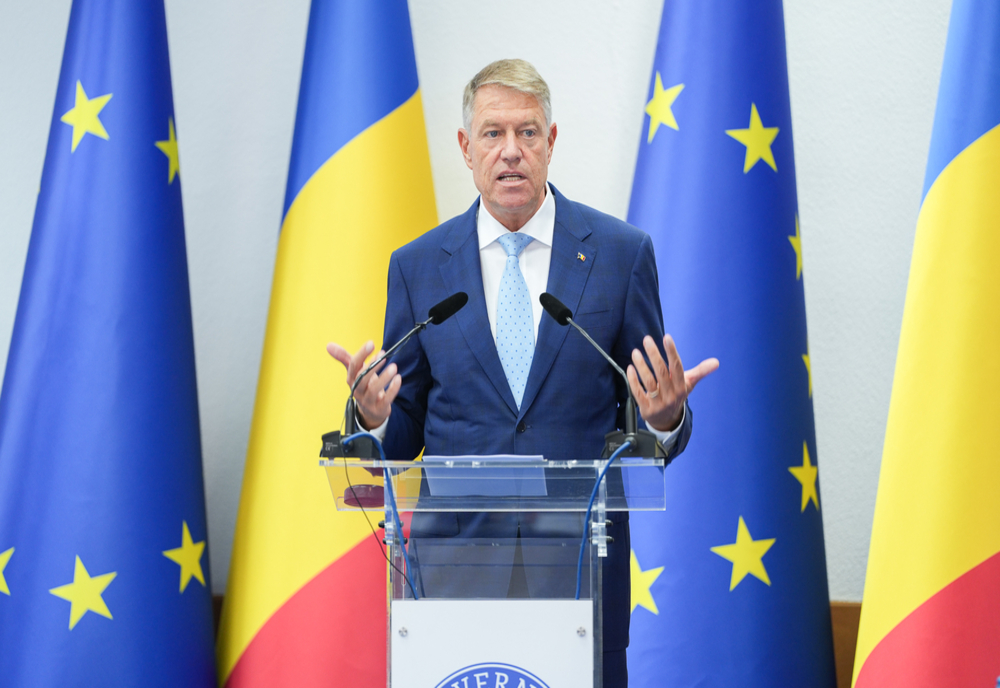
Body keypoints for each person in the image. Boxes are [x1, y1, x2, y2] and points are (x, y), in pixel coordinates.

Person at [328, 59, 718, 687]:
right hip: (453, 575)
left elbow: (649, 413)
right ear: (466, 147)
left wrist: (665, 418)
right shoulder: (419, 266)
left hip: (581, 570)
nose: (511, 150)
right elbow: (404, 431)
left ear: (551, 141)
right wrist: (373, 421)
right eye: (493, 133)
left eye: (527, 132)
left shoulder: (620, 255)